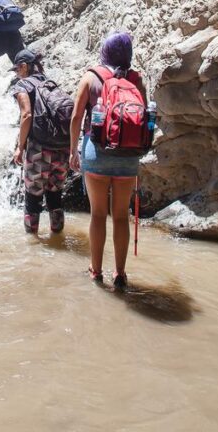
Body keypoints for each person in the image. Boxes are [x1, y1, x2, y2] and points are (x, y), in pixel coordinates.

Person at [69, 31, 147, 289]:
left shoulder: (91, 77)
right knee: (121, 216)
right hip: (127, 156)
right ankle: (121, 273)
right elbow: (144, 118)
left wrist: (72, 151)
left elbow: (76, 117)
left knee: (98, 214)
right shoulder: (136, 79)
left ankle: (96, 270)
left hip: (96, 151)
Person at [11, 49, 70, 235]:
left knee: (32, 199)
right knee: (55, 197)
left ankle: (33, 246)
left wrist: (19, 148)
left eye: (16, 70)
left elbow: (26, 115)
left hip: (39, 150)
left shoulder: (23, 85)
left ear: (24, 66)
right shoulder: (50, 84)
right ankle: (57, 239)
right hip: (62, 148)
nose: (16, 74)